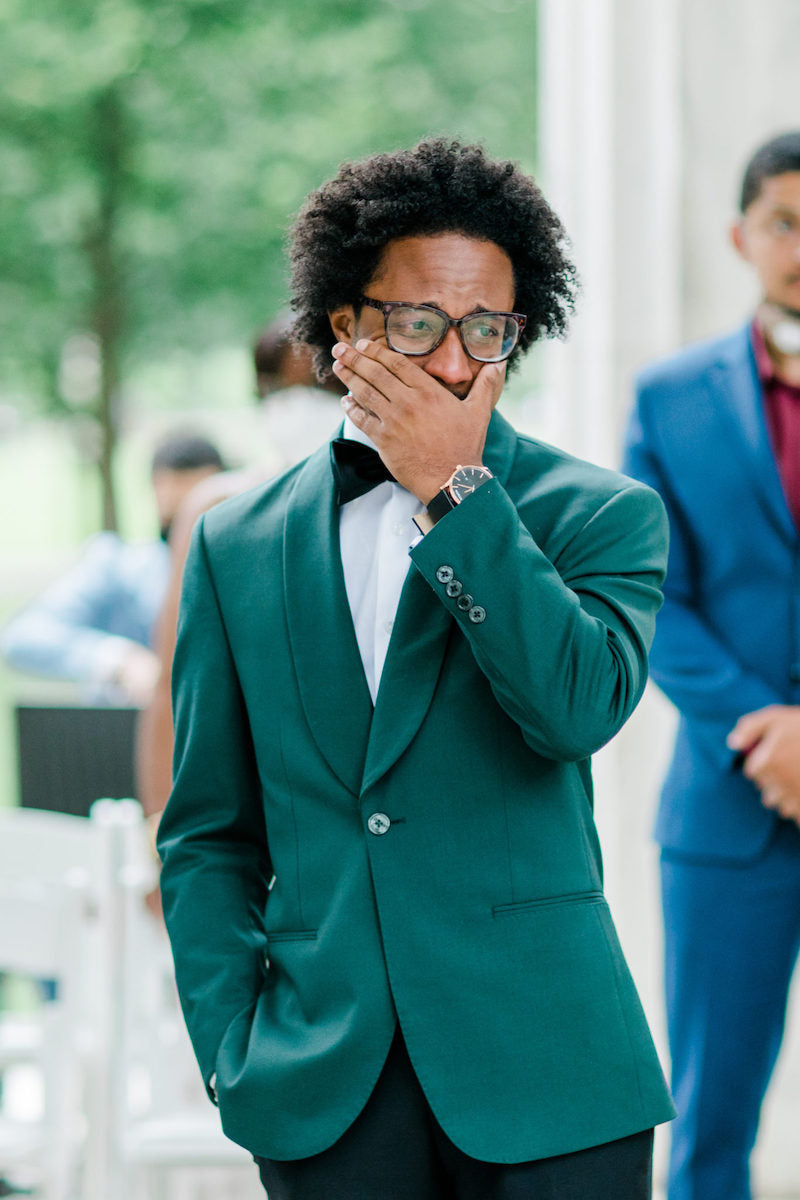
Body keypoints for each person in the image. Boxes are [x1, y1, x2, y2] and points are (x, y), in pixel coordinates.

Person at [158, 138, 675, 1200]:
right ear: (343, 327)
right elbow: (207, 831)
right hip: (322, 1089)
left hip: (552, 1079)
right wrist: (233, 1052)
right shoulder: (234, 544)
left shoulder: (602, 516)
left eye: (485, 329)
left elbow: (574, 708)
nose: (452, 364)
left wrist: (455, 497)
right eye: (417, 324)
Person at [623, 131, 800, 1200]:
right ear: (740, 236)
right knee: (705, 1132)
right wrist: (769, 731)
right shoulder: (667, 399)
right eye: (783, 221)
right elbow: (648, 598)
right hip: (728, 814)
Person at [135, 318, 341, 824]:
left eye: (317, 385)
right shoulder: (219, 511)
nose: (296, 405)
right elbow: (172, 691)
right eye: (276, 387)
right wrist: (160, 832)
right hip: (249, 809)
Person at [1, 431, 225, 706]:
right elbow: (25, 635)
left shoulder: (236, 577)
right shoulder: (117, 567)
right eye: (173, 516)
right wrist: (120, 659)